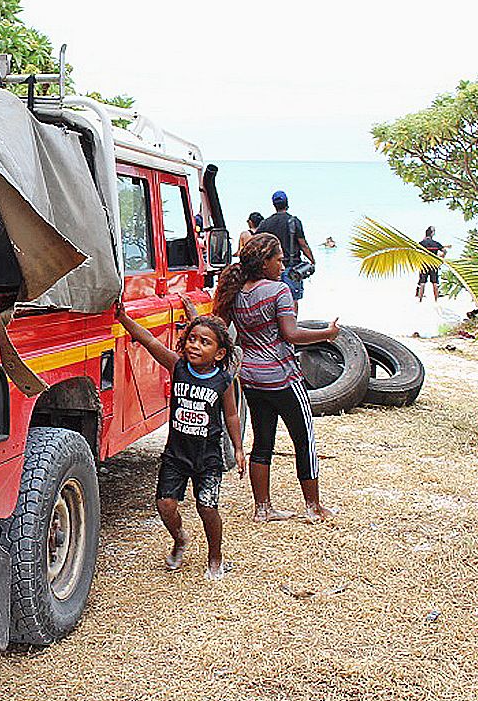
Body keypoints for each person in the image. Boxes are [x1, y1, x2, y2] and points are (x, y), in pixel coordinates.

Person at [211, 232, 339, 523]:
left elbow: (221, 328)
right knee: (304, 440)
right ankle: (313, 507)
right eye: (279, 260)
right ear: (264, 262)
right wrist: (328, 334)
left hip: (253, 379)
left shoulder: (236, 291)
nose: (283, 266)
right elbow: (291, 334)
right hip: (283, 378)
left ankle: (263, 508)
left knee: (262, 442)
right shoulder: (278, 291)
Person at [115, 305, 246, 580]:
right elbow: (149, 340)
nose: (195, 346)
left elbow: (232, 415)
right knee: (165, 504)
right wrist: (125, 318)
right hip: (176, 455)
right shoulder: (178, 366)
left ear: (219, 353)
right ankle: (179, 539)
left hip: (207, 457)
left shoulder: (223, 380)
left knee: (207, 507)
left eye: (205, 342)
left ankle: (215, 555)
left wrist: (238, 448)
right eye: (192, 339)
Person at [256, 190, 314, 301]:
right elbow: (303, 244)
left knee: (273, 300)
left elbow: (256, 243)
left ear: (274, 205)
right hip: (292, 269)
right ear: (287, 203)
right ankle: (292, 319)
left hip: (272, 269)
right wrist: (312, 261)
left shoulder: (266, 223)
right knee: (292, 300)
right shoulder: (293, 221)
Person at [416, 226, 448, 302]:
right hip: (433, 265)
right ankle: (436, 300)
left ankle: (420, 299)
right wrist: (440, 259)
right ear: (432, 233)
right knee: (434, 283)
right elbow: (445, 251)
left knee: (422, 282)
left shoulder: (421, 243)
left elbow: (416, 252)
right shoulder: (436, 244)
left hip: (424, 264)